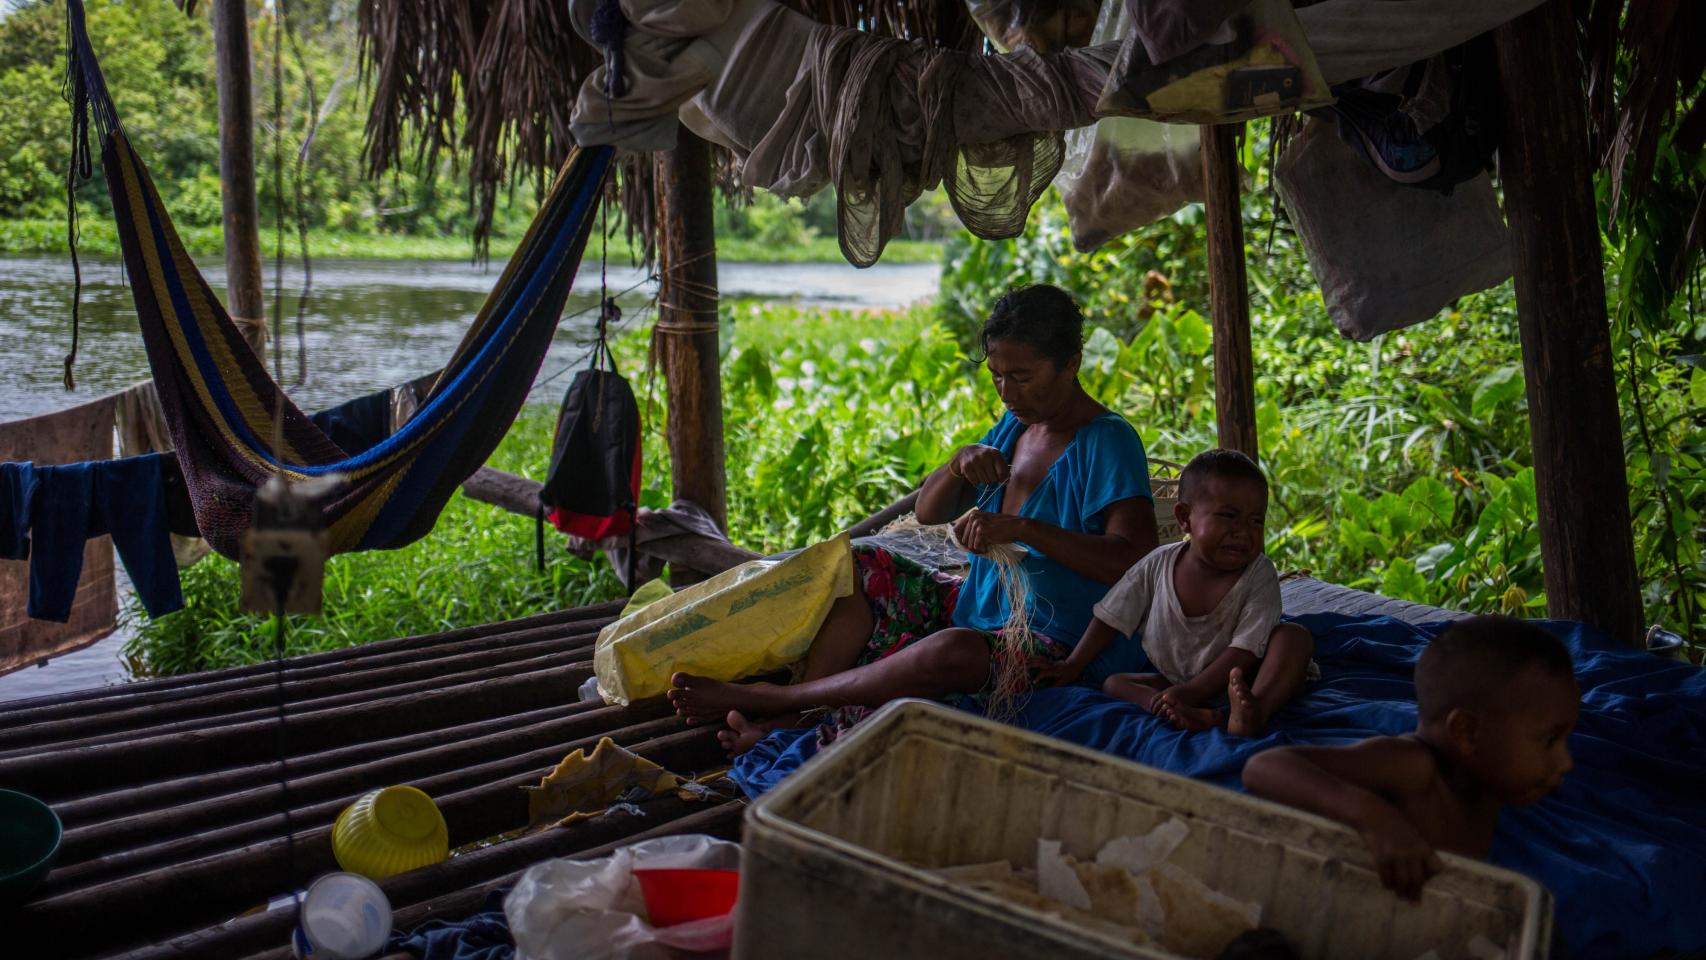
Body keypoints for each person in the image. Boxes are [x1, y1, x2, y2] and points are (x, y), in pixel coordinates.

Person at [669, 283, 1160, 753]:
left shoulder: (1107, 441)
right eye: (997, 376)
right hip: (979, 611)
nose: (1007, 392)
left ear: (1071, 364)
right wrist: (957, 464)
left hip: (1059, 642)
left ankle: (781, 702)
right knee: (865, 563)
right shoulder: (1016, 425)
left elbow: (1133, 561)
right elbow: (929, 513)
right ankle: (809, 705)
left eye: (1023, 377)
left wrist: (1024, 529)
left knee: (956, 651)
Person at [1242, 616, 1579, 901]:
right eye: (1549, 741)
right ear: (1467, 732)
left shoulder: (1485, 780)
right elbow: (1264, 768)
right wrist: (1373, 817)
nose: (1566, 762)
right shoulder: (1414, 767)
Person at [1048, 449, 1313, 736]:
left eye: (1256, 521)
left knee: (1293, 638)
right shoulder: (1157, 564)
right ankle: (1171, 709)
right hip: (1177, 679)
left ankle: (1254, 713)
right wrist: (1073, 664)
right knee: (1115, 683)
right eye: (1229, 516)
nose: (1243, 532)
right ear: (1184, 518)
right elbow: (1111, 615)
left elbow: (1246, 651)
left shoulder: (1259, 575)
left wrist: (1192, 690)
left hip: (1251, 676)